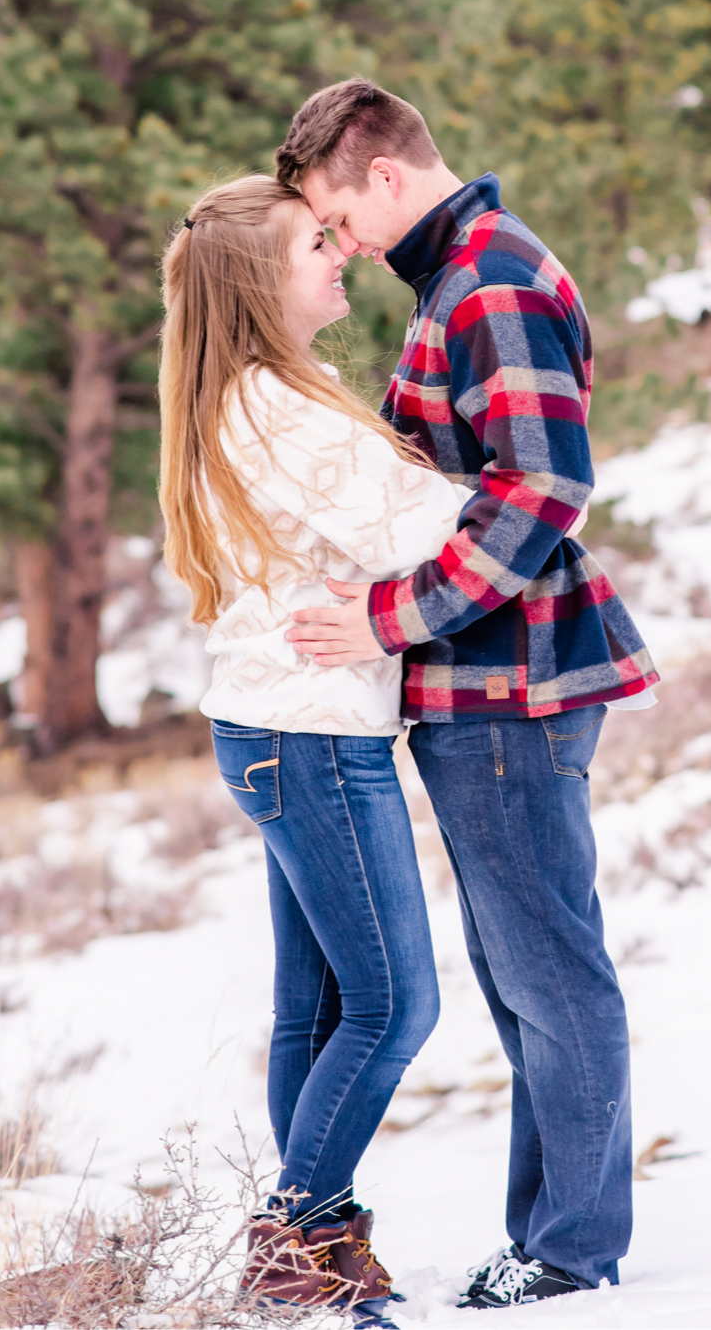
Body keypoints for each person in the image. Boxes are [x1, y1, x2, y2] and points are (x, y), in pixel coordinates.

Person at [276, 79, 660, 1311]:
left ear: (382, 172)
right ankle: (554, 1233)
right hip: (483, 677)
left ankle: (571, 1248)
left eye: (339, 216)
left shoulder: (486, 281)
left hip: (509, 680)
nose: (343, 244)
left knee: (546, 968)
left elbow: (544, 489)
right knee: (520, 967)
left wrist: (388, 619)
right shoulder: (456, 280)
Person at [158, 174, 469, 1321]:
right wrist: (517, 479)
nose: (338, 253)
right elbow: (431, 525)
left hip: (270, 727)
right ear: (258, 283)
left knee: (321, 1010)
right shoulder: (279, 410)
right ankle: (292, 1238)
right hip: (312, 737)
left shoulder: (255, 393)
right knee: (393, 1007)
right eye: (311, 246)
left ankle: (320, 1248)